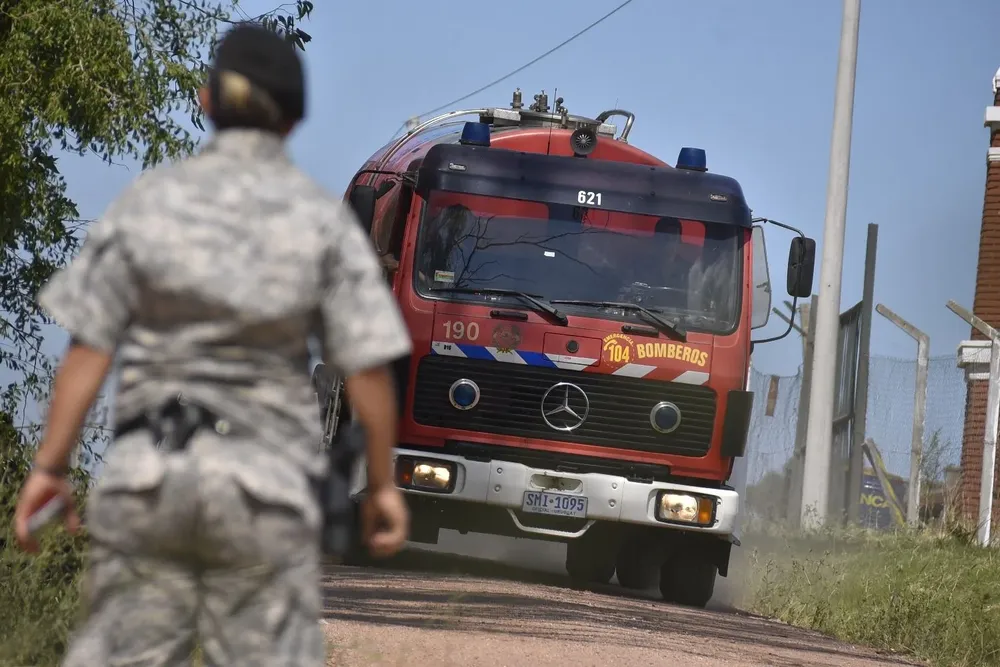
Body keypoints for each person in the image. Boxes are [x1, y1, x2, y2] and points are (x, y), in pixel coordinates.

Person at [12, 23, 411, 667]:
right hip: (264, 492)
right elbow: (365, 364)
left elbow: (90, 349)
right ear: (294, 121)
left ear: (205, 102)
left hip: (151, 480)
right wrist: (385, 486)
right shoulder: (319, 222)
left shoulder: (149, 204)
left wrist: (50, 468)